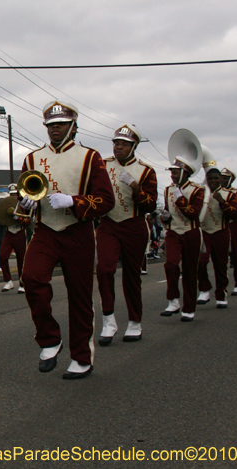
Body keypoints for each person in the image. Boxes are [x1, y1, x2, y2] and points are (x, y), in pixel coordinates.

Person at [19, 101, 114, 380]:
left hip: (78, 229)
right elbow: (23, 197)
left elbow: (106, 200)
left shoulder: (90, 156)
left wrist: (74, 201)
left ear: (73, 126)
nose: (54, 129)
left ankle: (82, 357)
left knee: (80, 296)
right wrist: (24, 204)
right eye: (50, 125)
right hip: (46, 229)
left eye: (60, 124)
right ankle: (50, 339)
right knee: (32, 278)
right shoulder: (32, 158)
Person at [95, 125, 157, 345]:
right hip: (108, 224)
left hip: (134, 224)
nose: (118, 146)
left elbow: (150, 205)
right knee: (104, 269)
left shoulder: (146, 171)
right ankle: (108, 320)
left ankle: (134, 322)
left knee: (132, 275)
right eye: (116, 142)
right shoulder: (102, 165)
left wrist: (135, 186)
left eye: (123, 144)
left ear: (134, 146)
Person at [159, 157, 205, 321]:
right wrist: (164, 217)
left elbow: (193, 214)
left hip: (190, 232)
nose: (172, 175)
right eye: (171, 172)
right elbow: (167, 211)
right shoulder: (168, 189)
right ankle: (173, 300)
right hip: (173, 232)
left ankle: (189, 308)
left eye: (175, 172)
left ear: (185, 173)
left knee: (190, 271)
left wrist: (180, 199)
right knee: (171, 265)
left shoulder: (197, 190)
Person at [197, 168, 237, 308]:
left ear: (221, 180)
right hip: (204, 232)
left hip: (221, 232)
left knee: (220, 265)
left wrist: (222, 202)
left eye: (216, 178)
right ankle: (204, 289)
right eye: (210, 179)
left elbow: (235, 215)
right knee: (201, 262)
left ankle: (221, 294)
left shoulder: (229, 194)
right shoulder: (201, 192)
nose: (213, 181)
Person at [0, 183, 30, 293]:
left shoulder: (23, 205)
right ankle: (8, 281)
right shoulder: (5, 205)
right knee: (2, 256)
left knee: (21, 260)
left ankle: (22, 284)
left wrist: (17, 217)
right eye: (11, 194)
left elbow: (28, 221)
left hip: (20, 232)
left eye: (15, 194)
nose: (13, 197)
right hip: (9, 232)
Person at [220, 168, 237, 295]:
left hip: (232, 224)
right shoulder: (215, 192)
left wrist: (232, 211)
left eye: (225, 178)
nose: (222, 180)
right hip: (218, 225)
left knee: (235, 254)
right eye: (221, 177)